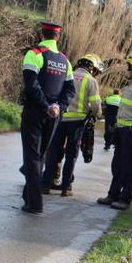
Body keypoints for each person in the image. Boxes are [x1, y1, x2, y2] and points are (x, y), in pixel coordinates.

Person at [18, 21, 75, 214]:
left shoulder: (34, 54)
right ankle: (28, 195)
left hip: (36, 111)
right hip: (55, 116)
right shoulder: (65, 61)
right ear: (58, 37)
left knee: (32, 157)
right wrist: (58, 106)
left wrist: (46, 106)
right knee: (40, 156)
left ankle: (35, 204)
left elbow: (31, 85)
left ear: (42, 34)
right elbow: (70, 90)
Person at [96, 49, 132, 211]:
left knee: (128, 166)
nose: (126, 69)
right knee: (117, 164)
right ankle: (113, 195)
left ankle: (125, 198)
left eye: (128, 65)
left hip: (130, 131)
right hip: (122, 130)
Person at [42, 53, 103, 197]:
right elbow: (95, 105)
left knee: (54, 152)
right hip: (77, 122)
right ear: (92, 68)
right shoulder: (90, 80)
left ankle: (45, 184)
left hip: (60, 119)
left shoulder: (67, 74)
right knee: (71, 154)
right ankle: (66, 187)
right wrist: (96, 114)